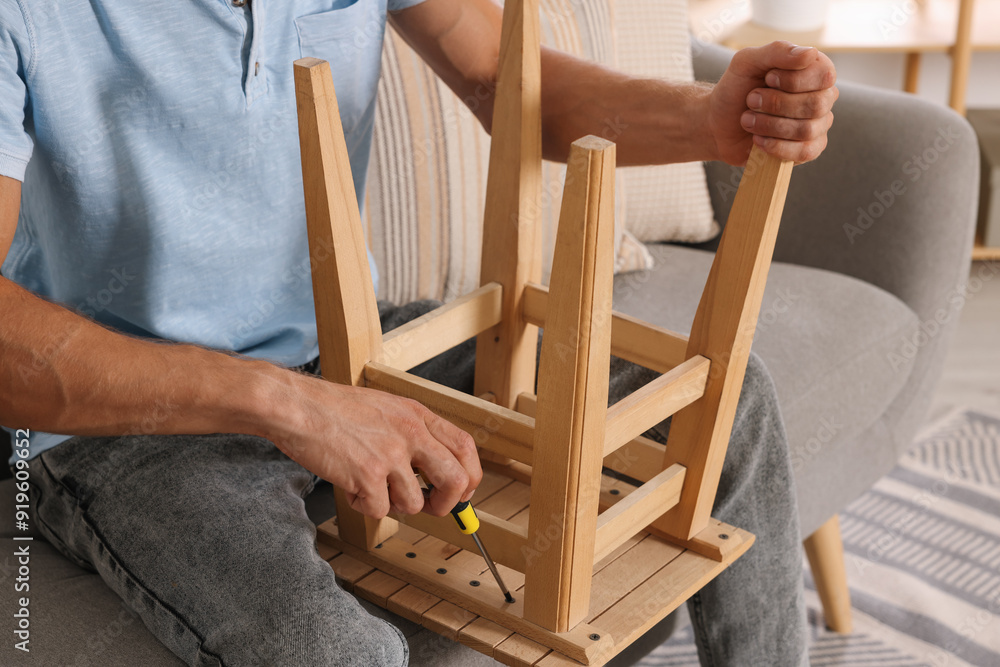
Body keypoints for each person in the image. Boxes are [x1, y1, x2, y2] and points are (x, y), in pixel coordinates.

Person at [0, 1, 837, 665]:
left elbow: (502, 75)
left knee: (728, 408)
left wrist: (713, 120)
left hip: (348, 349)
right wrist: (294, 406)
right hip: (125, 424)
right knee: (333, 653)